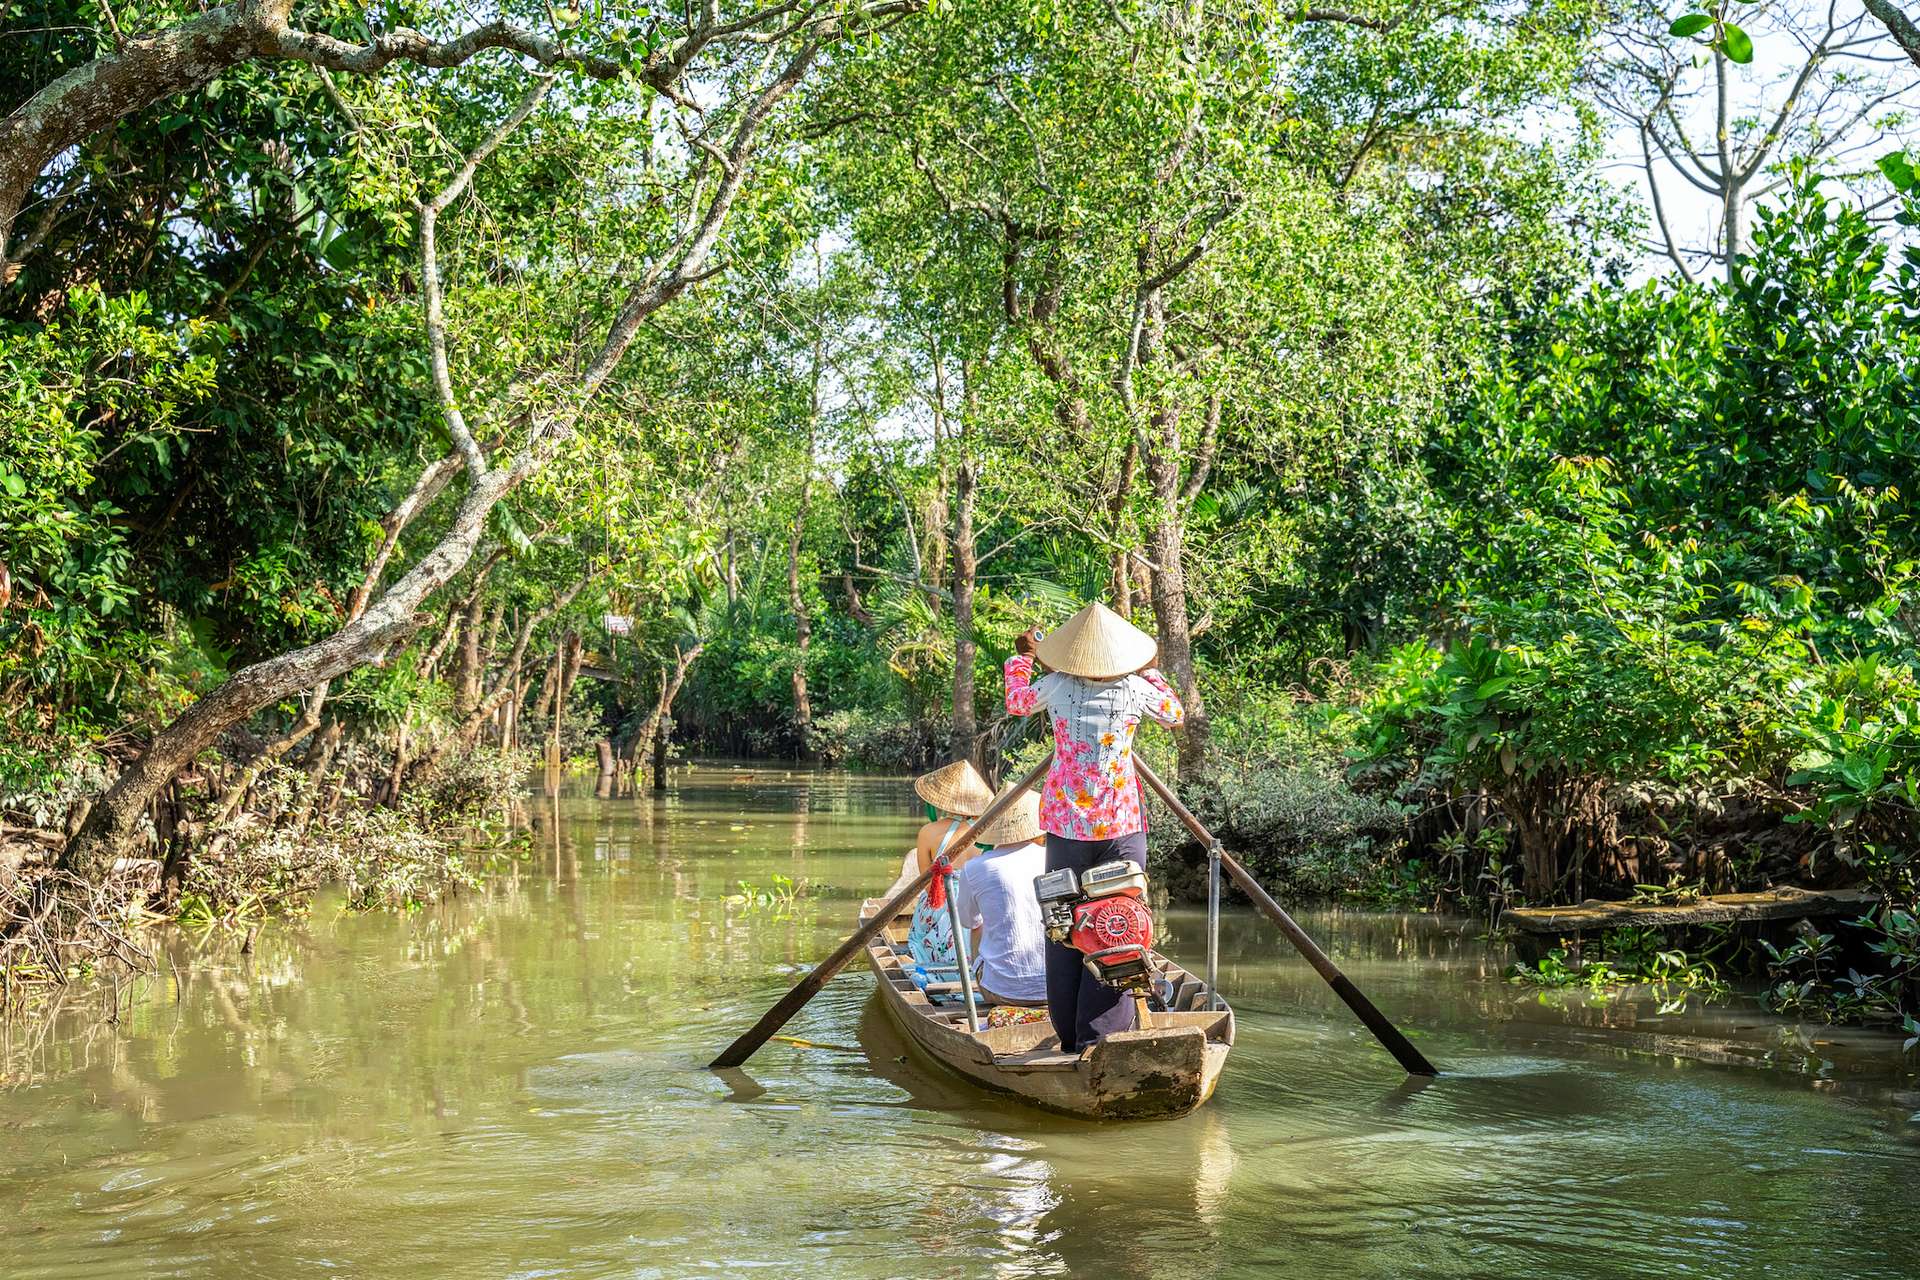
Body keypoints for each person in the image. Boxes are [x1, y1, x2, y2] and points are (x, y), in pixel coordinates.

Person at [1004, 601, 1185, 1052]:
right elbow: (1174, 714)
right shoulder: (1136, 690)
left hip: (1066, 826)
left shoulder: (1055, 686)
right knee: (1116, 925)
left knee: (1064, 924)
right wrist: (1152, 670)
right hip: (1120, 826)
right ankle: (1102, 1037)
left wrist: (1022, 656)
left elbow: (1016, 702)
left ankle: (1069, 1033)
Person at [952, 785, 1049, 1008]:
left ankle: (992, 977)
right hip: (1058, 988)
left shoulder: (975, 867)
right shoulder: (1054, 859)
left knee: (977, 924)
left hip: (1000, 991)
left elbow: (967, 921)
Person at [900, 758, 993, 983]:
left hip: (943, 902)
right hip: (980, 903)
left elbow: (927, 883)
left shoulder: (929, 831)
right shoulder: (989, 831)